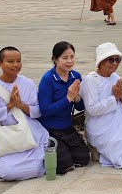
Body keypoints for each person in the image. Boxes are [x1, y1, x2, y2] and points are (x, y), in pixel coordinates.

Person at [0, 46, 49, 181]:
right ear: (0, 64)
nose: (16, 65)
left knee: (35, 169)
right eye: (10, 61)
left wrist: (20, 105)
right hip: (1, 136)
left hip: (26, 132)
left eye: (19, 61)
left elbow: (38, 111)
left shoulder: (27, 83)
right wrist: (9, 106)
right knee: (9, 173)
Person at [38, 41, 90, 175]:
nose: (69, 61)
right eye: (64, 58)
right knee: (64, 165)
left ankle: (65, 148)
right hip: (50, 128)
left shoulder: (76, 77)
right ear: (55, 59)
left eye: (72, 57)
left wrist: (76, 98)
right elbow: (45, 110)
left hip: (67, 127)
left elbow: (80, 106)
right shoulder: (48, 79)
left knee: (83, 159)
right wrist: (67, 98)